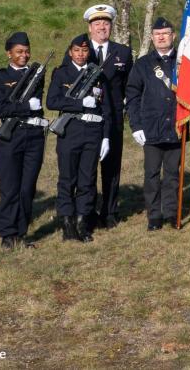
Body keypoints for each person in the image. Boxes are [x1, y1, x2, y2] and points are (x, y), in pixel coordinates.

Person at [0, 31, 48, 249]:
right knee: (10, 186)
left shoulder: (36, 74)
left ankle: (21, 232)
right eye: (19, 51)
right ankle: (7, 234)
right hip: (11, 136)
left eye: (27, 51)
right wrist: (24, 107)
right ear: (8, 54)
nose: (24, 55)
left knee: (27, 187)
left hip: (34, 137)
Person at [48, 34, 110, 243]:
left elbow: (106, 107)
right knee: (67, 178)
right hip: (71, 130)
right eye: (77, 50)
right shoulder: (61, 73)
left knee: (87, 179)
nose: (81, 54)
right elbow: (52, 101)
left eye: (84, 51)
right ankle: (67, 223)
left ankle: (83, 223)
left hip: (93, 131)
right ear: (70, 52)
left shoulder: (98, 74)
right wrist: (81, 103)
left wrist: (105, 136)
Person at [127, 17, 185, 231]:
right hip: (151, 128)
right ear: (152, 38)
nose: (161, 37)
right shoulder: (143, 64)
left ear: (173, 36)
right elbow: (132, 96)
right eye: (157, 34)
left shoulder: (184, 62)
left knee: (172, 173)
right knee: (151, 174)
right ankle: (154, 215)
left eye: (166, 33)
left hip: (176, 126)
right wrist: (136, 126)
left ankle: (171, 212)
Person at [84, 4, 132, 229]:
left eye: (106, 23)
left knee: (112, 168)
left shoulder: (122, 52)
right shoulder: (81, 51)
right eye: (97, 24)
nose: (102, 27)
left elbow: (130, 86)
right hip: (87, 119)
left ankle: (110, 211)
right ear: (90, 27)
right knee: (87, 167)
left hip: (113, 118)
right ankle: (88, 210)